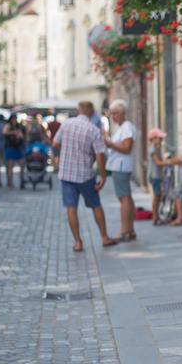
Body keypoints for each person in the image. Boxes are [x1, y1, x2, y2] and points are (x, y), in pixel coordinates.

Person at [52, 101, 117, 252]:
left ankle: (78, 242)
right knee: (95, 205)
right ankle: (104, 237)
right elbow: (100, 156)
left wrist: (66, 150)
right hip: (85, 175)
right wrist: (103, 176)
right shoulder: (93, 130)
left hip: (66, 174)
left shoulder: (66, 124)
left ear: (78, 111)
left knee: (71, 208)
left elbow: (55, 143)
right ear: (92, 113)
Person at [104, 99, 137, 242]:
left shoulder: (127, 127)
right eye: (111, 114)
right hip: (119, 165)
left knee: (124, 198)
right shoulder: (122, 127)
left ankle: (124, 230)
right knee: (125, 197)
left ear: (122, 113)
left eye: (115, 113)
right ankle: (130, 229)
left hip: (121, 166)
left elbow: (126, 147)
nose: (113, 116)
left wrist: (110, 143)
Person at [147, 128, 169, 225]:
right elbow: (158, 163)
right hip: (154, 176)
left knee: (158, 196)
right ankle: (155, 217)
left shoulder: (157, 148)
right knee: (156, 196)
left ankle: (156, 216)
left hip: (157, 175)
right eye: (159, 138)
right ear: (153, 138)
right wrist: (169, 162)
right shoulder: (153, 150)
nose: (161, 140)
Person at [3, 114, 26, 189]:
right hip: (10, 147)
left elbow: (22, 136)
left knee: (22, 165)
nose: (14, 121)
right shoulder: (8, 126)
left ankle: (22, 181)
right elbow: (4, 132)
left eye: (15, 119)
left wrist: (19, 135)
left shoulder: (19, 127)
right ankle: (10, 183)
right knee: (10, 166)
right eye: (13, 119)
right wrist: (13, 132)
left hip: (18, 148)